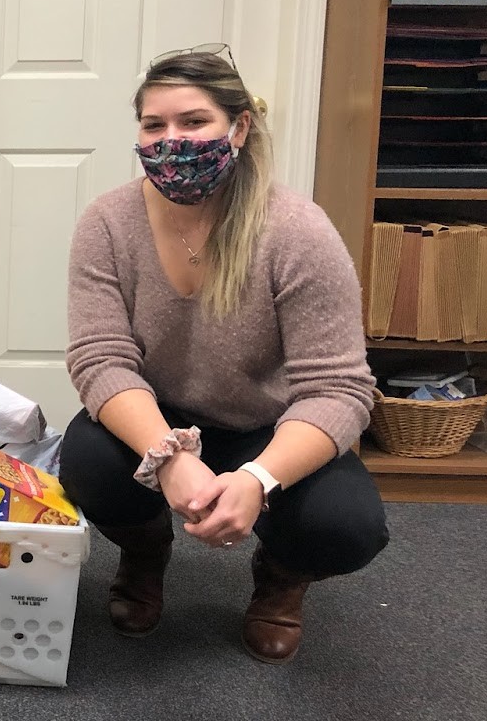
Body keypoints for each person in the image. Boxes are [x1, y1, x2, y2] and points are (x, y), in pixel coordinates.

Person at [58, 45, 387, 664]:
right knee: (86, 464)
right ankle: (145, 551)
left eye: (194, 122)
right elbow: (101, 360)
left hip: (268, 426)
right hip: (158, 414)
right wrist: (167, 457)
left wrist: (260, 479)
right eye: (154, 126)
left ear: (238, 127)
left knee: (346, 525)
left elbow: (339, 390)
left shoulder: (296, 230)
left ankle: (281, 578)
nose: (171, 141)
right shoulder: (107, 222)